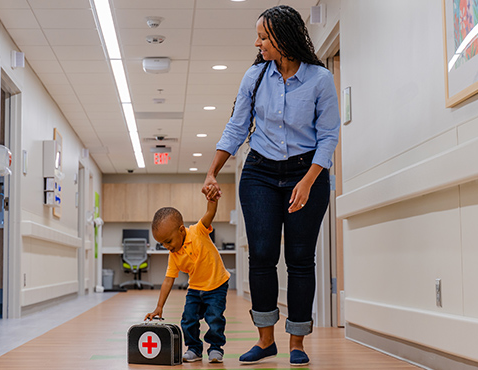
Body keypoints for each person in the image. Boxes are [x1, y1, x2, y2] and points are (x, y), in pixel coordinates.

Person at [201, 5, 340, 367]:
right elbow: (236, 126)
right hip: (260, 172)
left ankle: (297, 342)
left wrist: (310, 180)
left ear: (283, 38)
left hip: (306, 172)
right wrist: (212, 171)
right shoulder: (255, 76)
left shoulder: (319, 80)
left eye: (263, 36)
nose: (258, 42)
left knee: (299, 258)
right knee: (261, 255)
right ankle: (265, 340)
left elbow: (327, 137)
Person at [144, 193, 230, 364]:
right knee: (188, 318)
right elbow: (168, 280)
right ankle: (194, 349)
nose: (167, 247)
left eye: (168, 241)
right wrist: (159, 306)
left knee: (214, 318)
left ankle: (215, 348)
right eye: (163, 244)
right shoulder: (173, 255)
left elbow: (210, 213)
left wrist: (212, 198)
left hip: (216, 284)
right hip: (195, 288)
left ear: (181, 230)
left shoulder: (199, 231)